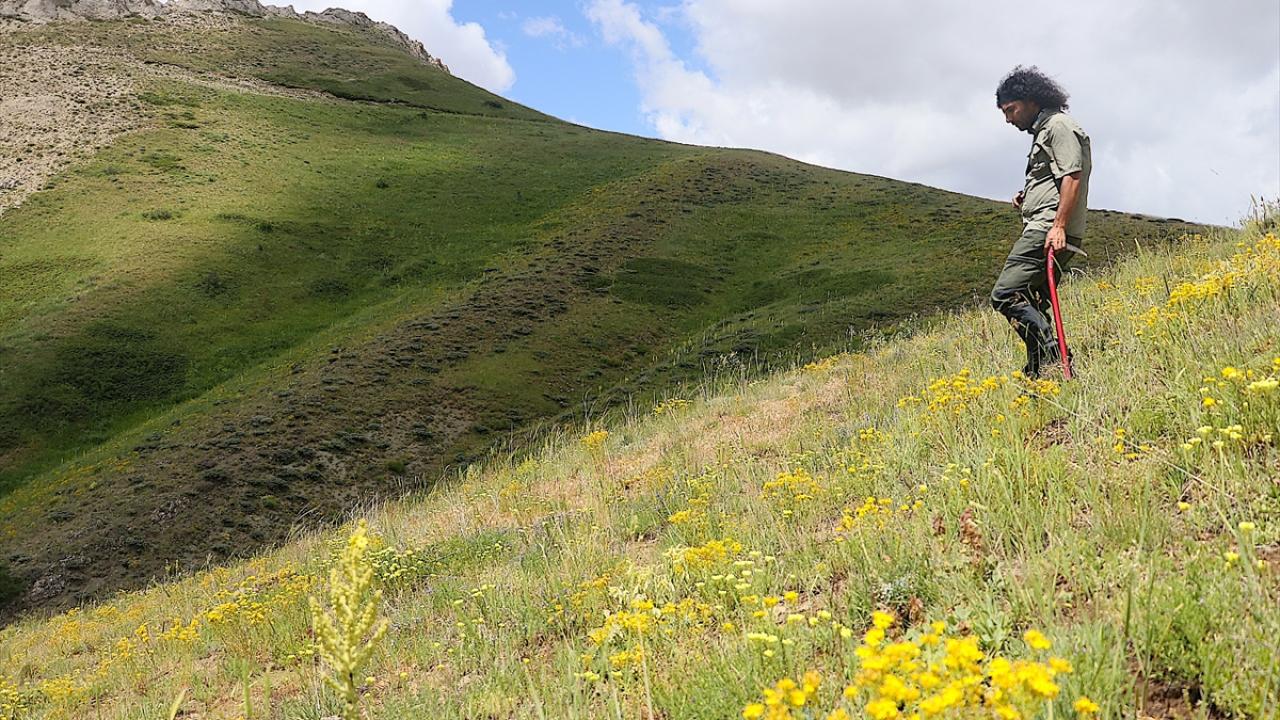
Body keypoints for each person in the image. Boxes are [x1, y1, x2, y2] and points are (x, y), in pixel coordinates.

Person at [992, 65, 1091, 378]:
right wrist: (1029, 195)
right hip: (1046, 225)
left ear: (1031, 100)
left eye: (1011, 109)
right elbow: (1054, 177)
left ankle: (1054, 357)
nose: (1009, 119)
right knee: (1031, 299)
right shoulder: (1046, 130)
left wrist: (1058, 226)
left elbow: (1072, 176)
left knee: (1006, 294)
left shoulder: (1058, 126)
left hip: (1048, 229)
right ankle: (1041, 372)